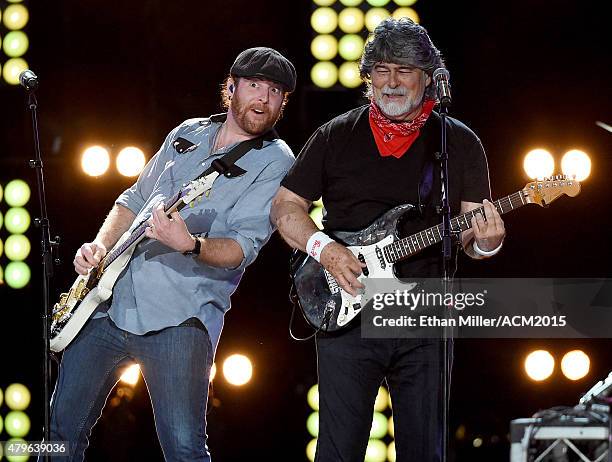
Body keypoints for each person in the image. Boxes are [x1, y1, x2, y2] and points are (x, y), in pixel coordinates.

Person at [271, 18, 505, 462]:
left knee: (425, 450)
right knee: (338, 451)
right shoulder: (336, 134)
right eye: (381, 69)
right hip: (349, 307)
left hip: (423, 316)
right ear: (368, 75)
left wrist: (488, 243)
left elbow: (474, 236)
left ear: (429, 77)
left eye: (404, 70)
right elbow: (284, 208)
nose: (392, 82)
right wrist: (325, 248)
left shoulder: (458, 143)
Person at [49, 47, 296, 461]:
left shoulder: (276, 161)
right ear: (231, 87)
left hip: (181, 319)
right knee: (58, 433)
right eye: (255, 86)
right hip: (109, 302)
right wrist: (99, 247)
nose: (264, 99)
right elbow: (133, 198)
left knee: (184, 449)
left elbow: (242, 248)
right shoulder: (189, 131)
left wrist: (191, 244)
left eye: (275, 92)